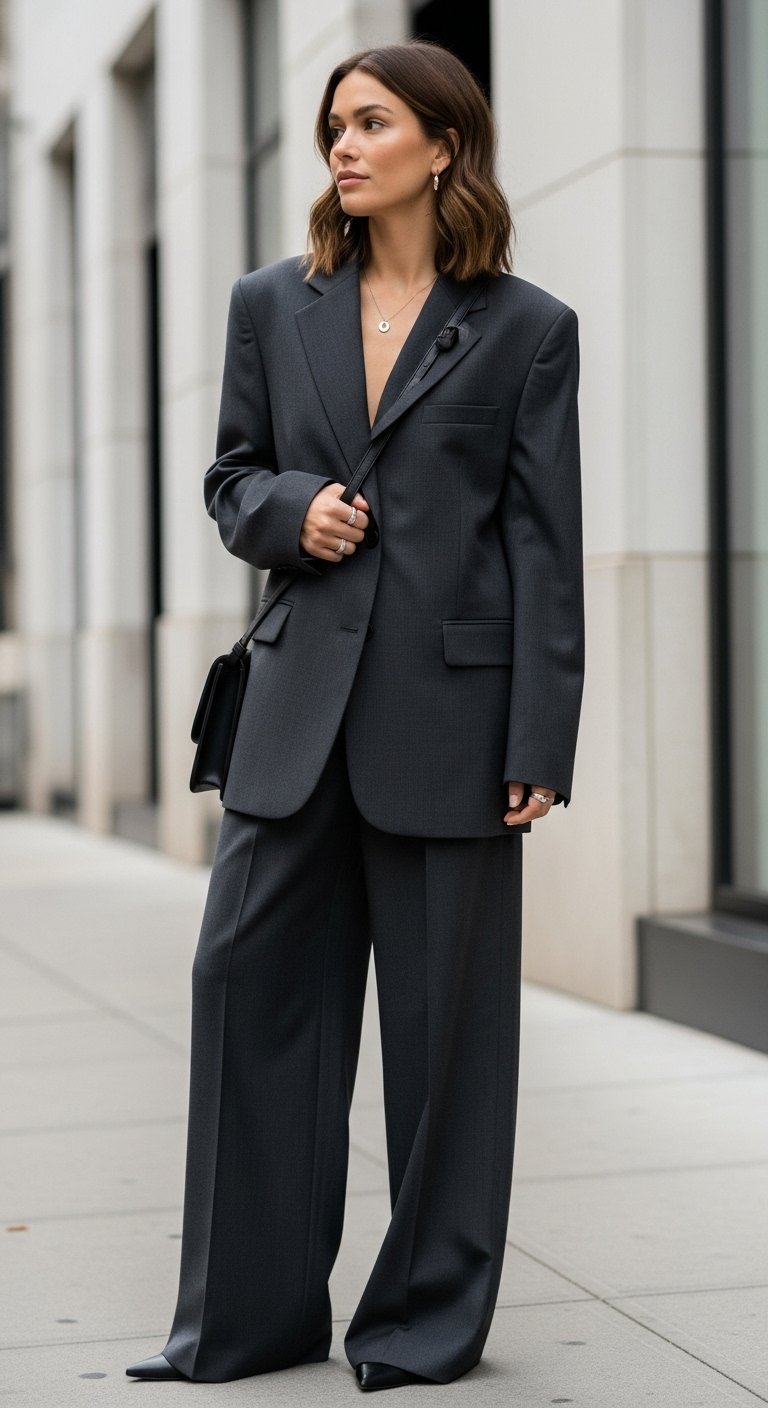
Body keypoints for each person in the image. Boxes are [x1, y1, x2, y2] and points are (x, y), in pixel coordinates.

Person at [127, 38, 584, 1392]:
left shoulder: (527, 328)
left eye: (373, 122)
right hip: (292, 714)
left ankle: (421, 1323)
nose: (343, 143)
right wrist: (291, 511)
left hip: (453, 726)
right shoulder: (273, 304)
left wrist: (540, 741)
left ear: (441, 147)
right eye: (336, 123)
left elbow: (544, 548)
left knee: (447, 1052)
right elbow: (231, 477)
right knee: (242, 990)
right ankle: (244, 1320)